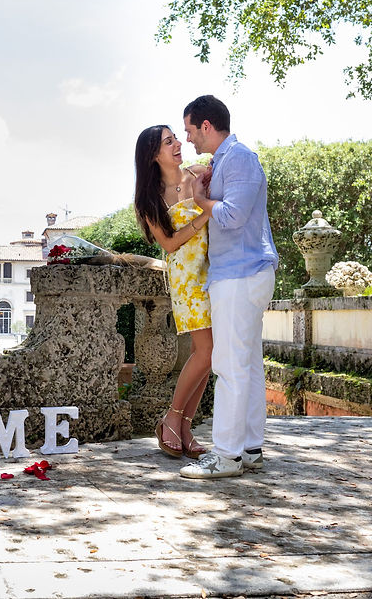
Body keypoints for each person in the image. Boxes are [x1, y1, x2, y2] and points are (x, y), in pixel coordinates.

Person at [179, 95, 278, 479]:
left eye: (189, 130)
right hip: (244, 272)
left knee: (230, 366)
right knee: (248, 365)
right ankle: (249, 449)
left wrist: (202, 200)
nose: (188, 140)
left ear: (206, 125)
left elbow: (233, 217)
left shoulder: (238, 157)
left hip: (239, 273)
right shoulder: (226, 160)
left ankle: (226, 456)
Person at [134, 124, 213, 459]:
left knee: (211, 356)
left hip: (216, 268)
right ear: (154, 154)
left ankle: (182, 426)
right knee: (207, 351)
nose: (178, 143)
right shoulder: (150, 198)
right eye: (169, 141)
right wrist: (203, 215)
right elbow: (168, 243)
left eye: (176, 138)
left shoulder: (200, 173)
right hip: (186, 277)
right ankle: (172, 418)